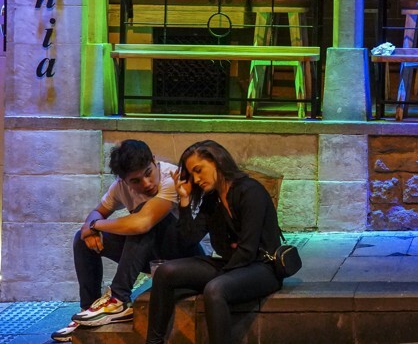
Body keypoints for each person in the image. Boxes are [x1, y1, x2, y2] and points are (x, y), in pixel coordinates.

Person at [51, 140, 201, 342]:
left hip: (185, 256)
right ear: (124, 181)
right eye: (136, 181)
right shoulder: (119, 187)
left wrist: (95, 225)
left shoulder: (170, 178)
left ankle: (119, 298)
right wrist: (90, 228)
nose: (146, 183)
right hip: (150, 254)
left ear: (154, 161)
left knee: (142, 217)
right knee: (81, 239)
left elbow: (142, 223)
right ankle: (89, 313)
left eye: (148, 173)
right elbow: (97, 212)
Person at [145, 141, 283, 344]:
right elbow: (188, 240)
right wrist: (184, 201)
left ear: (217, 160)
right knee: (166, 272)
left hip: (262, 267)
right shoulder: (212, 200)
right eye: (192, 176)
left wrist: (217, 276)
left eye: (199, 171)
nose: (197, 179)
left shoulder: (250, 191)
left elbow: (248, 249)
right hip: (232, 266)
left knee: (215, 289)